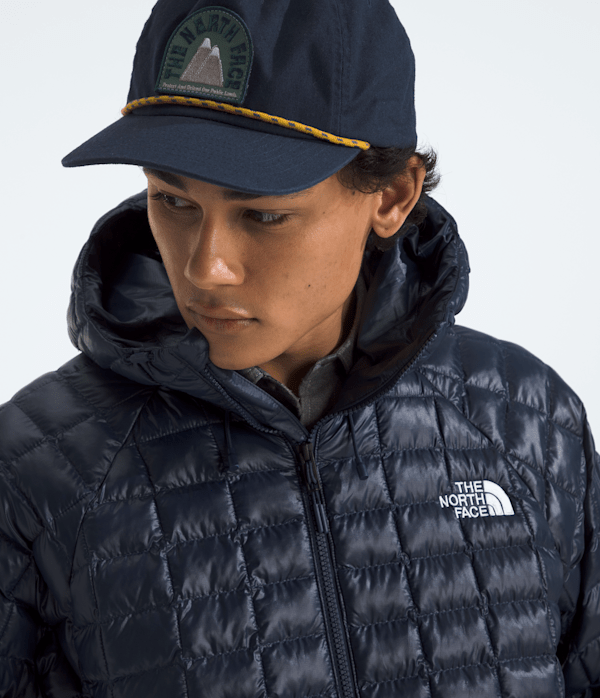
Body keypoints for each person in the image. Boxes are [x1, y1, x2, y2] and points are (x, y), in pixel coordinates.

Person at [0, 1, 598, 697]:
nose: (206, 268)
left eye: (264, 214)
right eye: (173, 202)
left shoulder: (527, 422)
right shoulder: (39, 467)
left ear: (392, 196)